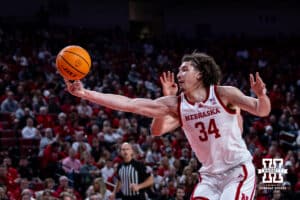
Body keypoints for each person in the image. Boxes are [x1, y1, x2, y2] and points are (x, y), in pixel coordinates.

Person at [65, 52, 271, 199]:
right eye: (179, 70)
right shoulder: (176, 104)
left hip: (237, 171)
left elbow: (262, 111)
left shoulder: (224, 93)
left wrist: (261, 95)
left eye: (184, 69)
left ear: (199, 74)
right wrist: (86, 93)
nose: (179, 74)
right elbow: (130, 104)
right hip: (209, 176)